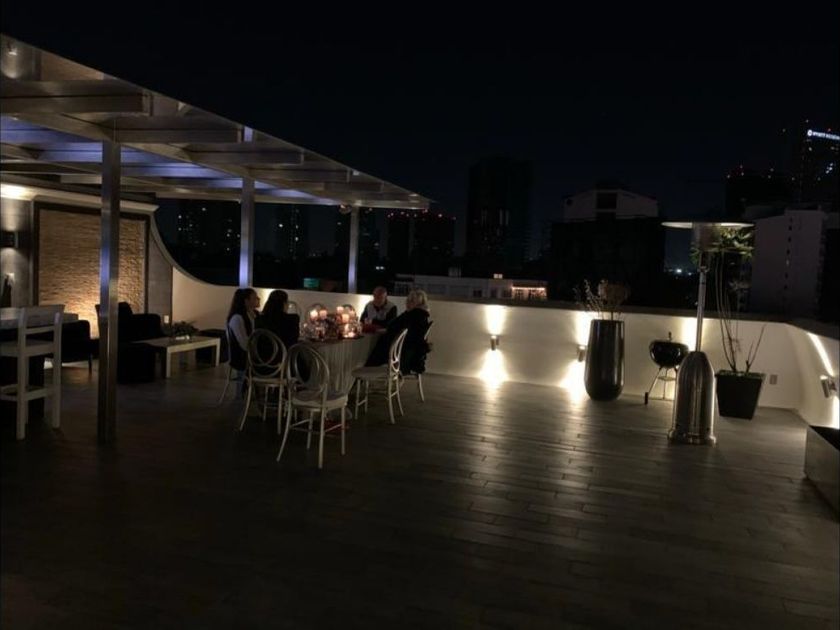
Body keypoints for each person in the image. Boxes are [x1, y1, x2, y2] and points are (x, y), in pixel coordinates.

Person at [365, 289, 431, 374]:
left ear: (418, 304)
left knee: (371, 349)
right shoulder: (420, 316)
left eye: (411, 301)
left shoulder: (412, 316)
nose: (407, 303)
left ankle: (366, 373)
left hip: (401, 354)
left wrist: (385, 330)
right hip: (407, 353)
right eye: (408, 300)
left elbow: (395, 327)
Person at [226, 287, 260, 372]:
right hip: (241, 356)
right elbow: (244, 344)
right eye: (254, 297)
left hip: (253, 351)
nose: (258, 299)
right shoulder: (237, 318)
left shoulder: (256, 314)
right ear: (246, 301)